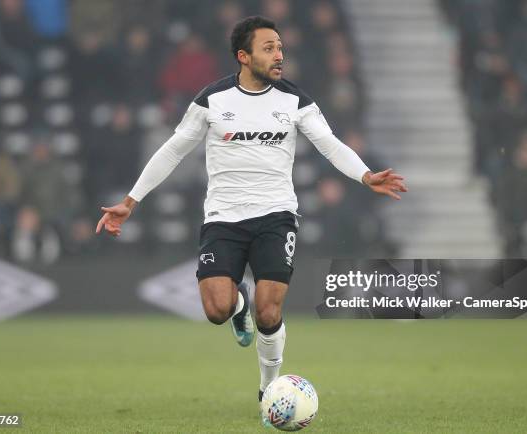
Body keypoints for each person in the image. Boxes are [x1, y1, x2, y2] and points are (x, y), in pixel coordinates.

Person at [96, 16, 406, 422]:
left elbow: (330, 144)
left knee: (270, 312)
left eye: (280, 47)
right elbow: (173, 151)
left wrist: (364, 175)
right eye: (268, 48)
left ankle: (268, 387)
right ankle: (237, 303)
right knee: (216, 309)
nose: (279, 55)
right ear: (243, 56)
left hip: (276, 216)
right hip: (223, 218)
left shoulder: (296, 101)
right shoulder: (212, 101)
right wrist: (131, 201)